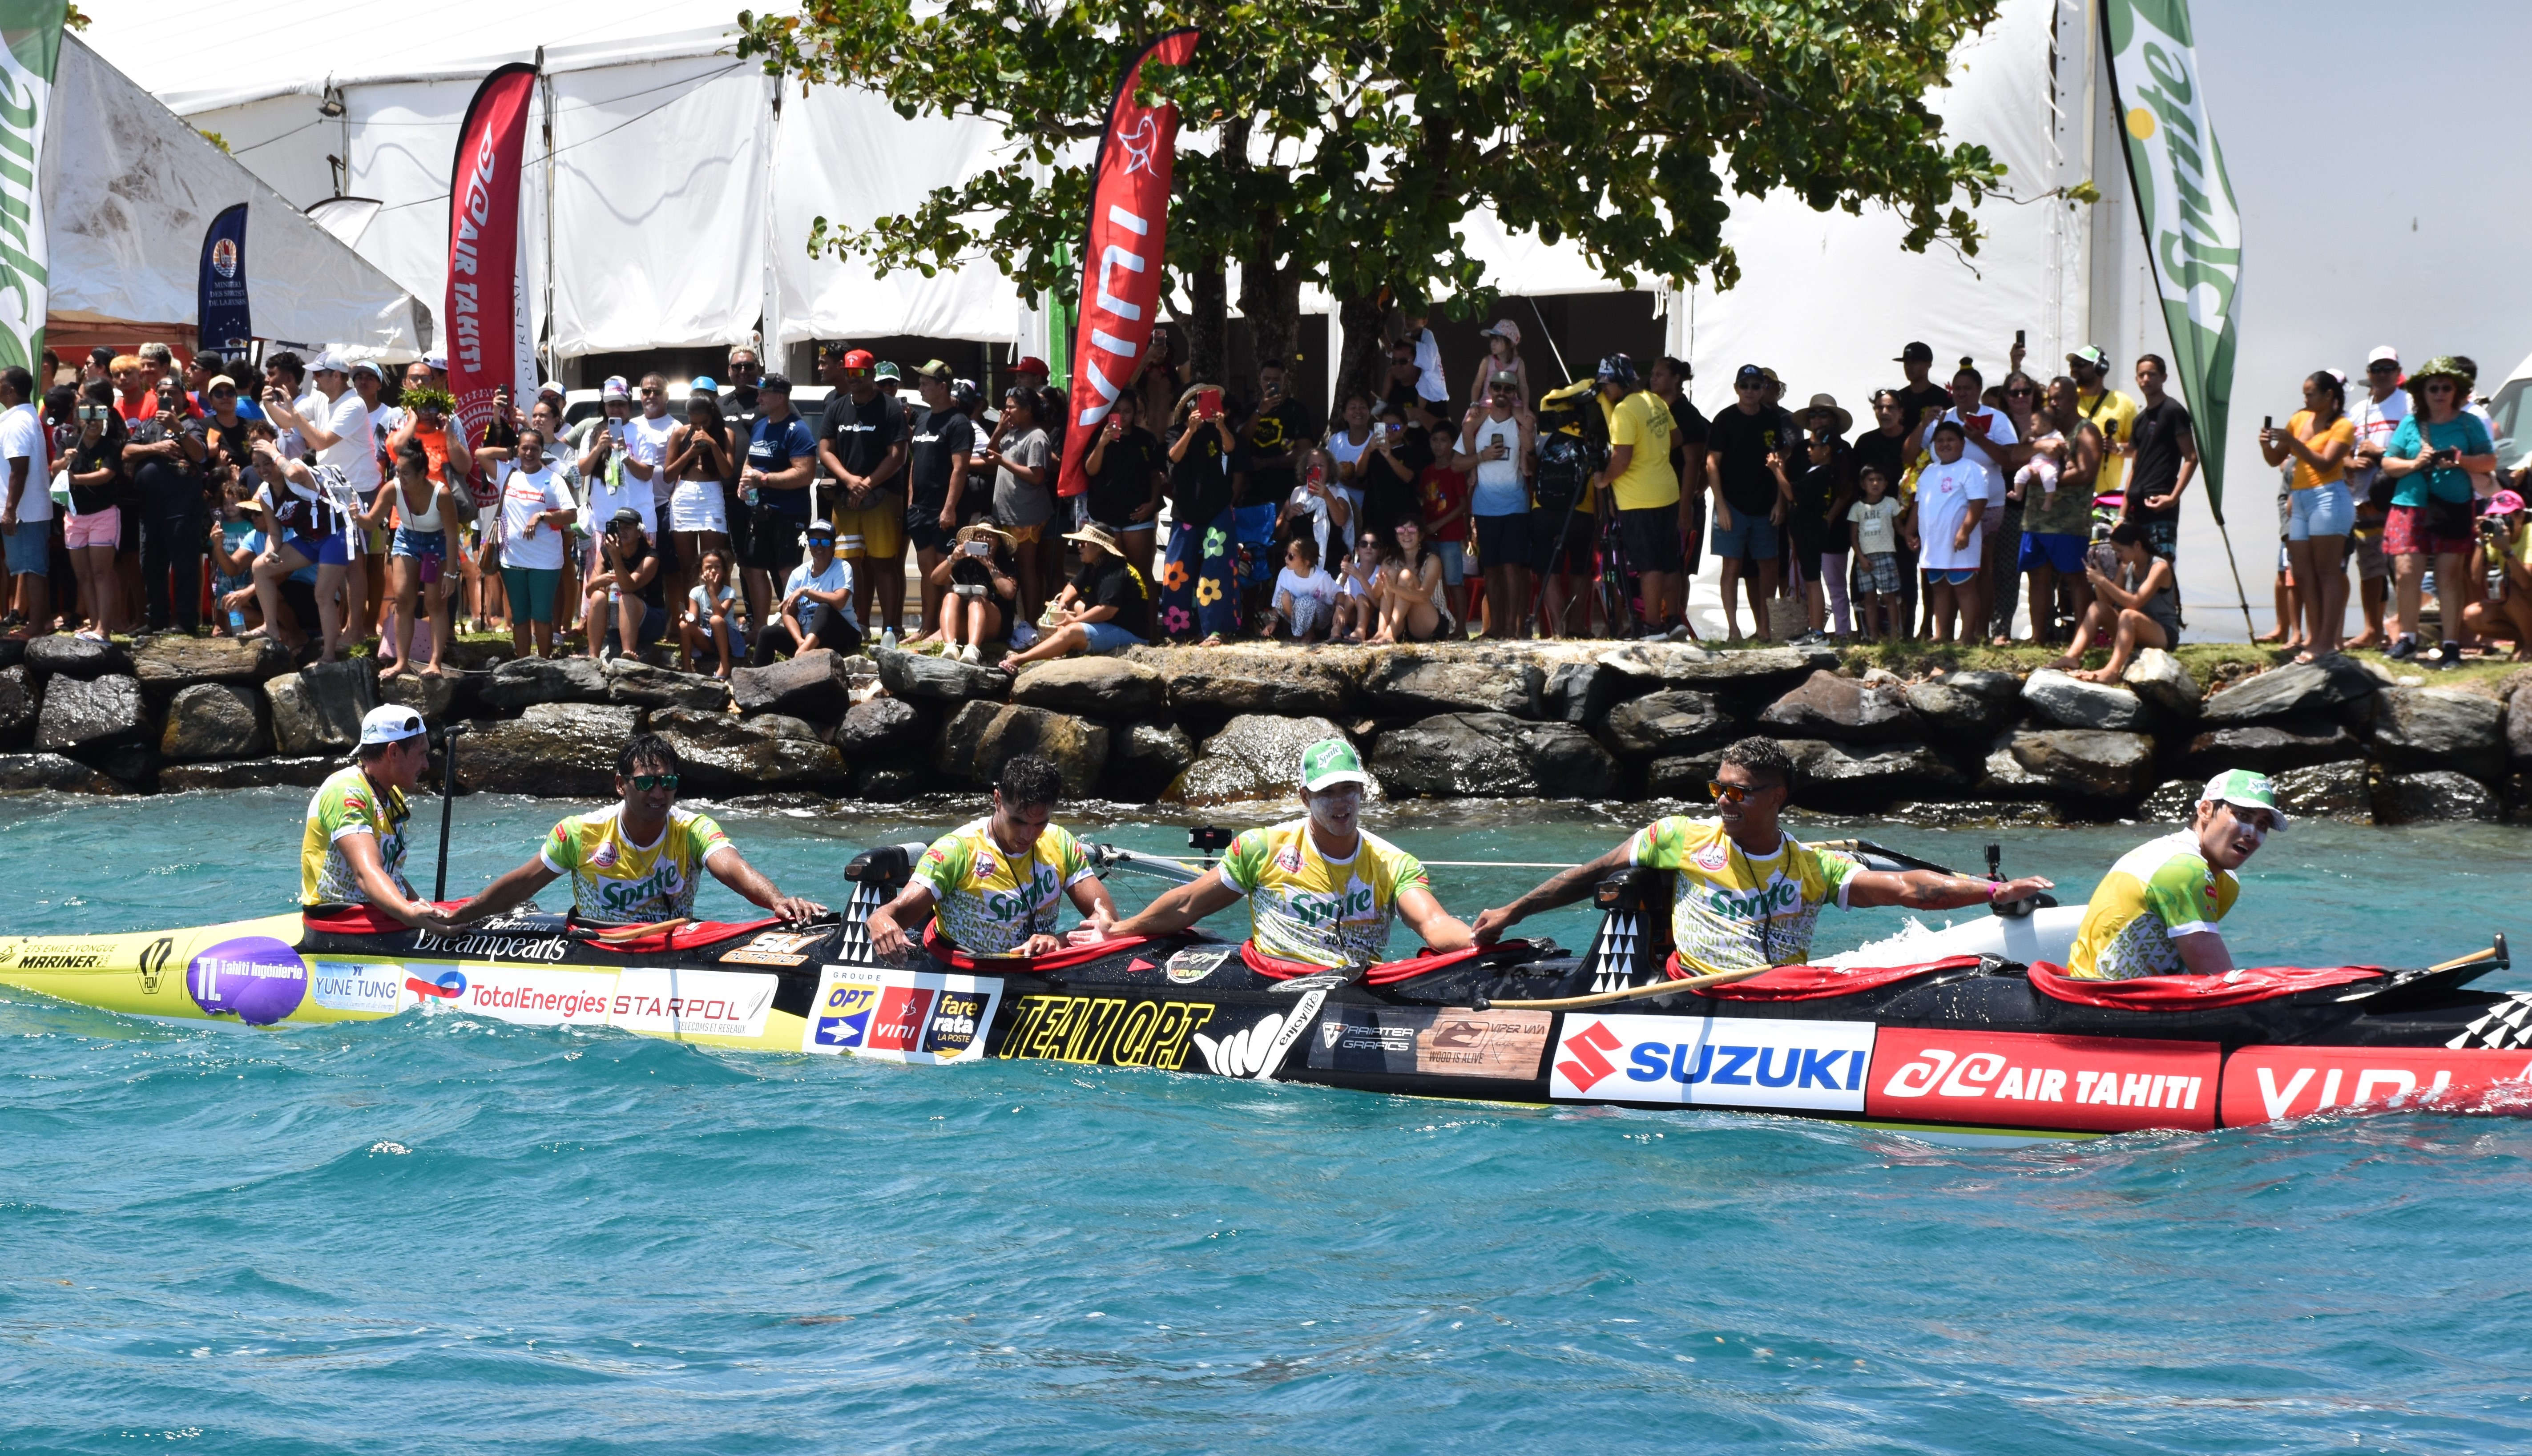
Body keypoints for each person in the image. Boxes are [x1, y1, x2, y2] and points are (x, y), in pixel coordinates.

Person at [1471, 736, 2051, 973]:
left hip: (1778, 994)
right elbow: (1592, 874)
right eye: (1717, 788)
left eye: (1738, 792)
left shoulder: (1812, 868)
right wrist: (1512, 914)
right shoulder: (1679, 836)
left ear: (1777, 797)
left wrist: (1994, 892)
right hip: (1695, 990)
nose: (1724, 800)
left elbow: (1911, 889)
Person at [1109, 739, 1472, 969]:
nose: (1342, 802)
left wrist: (1479, 942)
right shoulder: (1262, 848)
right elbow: (1188, 904)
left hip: (1352, 988)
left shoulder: (1394, 863)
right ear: (1305, 798)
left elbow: (1433, 923)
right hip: (1274, 980)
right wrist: (1118, 931)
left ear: (1362, 791)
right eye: (1328, 792)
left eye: (1350, 789)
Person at [443, 734, 824, 929]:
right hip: (598, 944)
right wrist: (461, 916)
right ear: (621, 785)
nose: (659, 794)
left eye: (669, 782)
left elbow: (734, 869)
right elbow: (520, 885)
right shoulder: (580, 833)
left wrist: (777, 900)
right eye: (646, 784)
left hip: (667, 944)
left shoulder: (693, 828)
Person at [859, 754, 1119, 960]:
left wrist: (1058, 941)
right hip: (968, 970)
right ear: (997, 800)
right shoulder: (955, 851)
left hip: (1036, 969)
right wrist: (879, 920)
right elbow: (890, 915)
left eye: (1040, 823)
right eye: (1018, 821)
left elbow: (1109, 920)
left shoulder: (1061, 842)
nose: (1029, 835)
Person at [2066, 770, 2280, 980]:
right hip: (2096, 998)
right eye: (2242, 816)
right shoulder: (2183, 868)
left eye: (2262, 825)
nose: (2252, 833)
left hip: (2138, 1002)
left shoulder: (2226, 883)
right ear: (2205, 810)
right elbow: (2217, 980)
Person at [2379, 355, 2495, 665]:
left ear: (2457, 391)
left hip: (2453, 506)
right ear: (2423, 393)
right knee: (2406, 573)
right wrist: (2415, 464)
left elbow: (2489, 462)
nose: (2440, 393)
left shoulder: (2469, 424)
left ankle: (2451, 644)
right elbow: (2389, 463)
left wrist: (2459, 460)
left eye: (2446, 387)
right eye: (2434, 388)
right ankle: (2407, 638)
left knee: (2449, 576)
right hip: (2410, 504)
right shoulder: (2410, 424)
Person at [300, 706, 446, 929]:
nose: (426, 765)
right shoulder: (347, 792)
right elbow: (367, 873)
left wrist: (419, 904)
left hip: (378, 913)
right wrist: (409, 914)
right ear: (394, 752)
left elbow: (390, 874)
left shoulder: (391, 794)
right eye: (421, 754)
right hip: (340, 920)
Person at [2258, 370, 2358, 661]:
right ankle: (2314, 638)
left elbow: (2326, 464)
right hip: (2298, 500)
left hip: (2329, 497)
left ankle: (2326, 641)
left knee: (2328, 573)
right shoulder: (2299, 419)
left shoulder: (2342, 426)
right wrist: (2267, 444)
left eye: (2310, 393)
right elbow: (2276, 459)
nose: (2305, 399)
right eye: (2304, 393)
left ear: (2329, 396)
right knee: (2302, 574)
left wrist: (2293, 442)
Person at [1590, 354, 1684, 639]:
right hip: (1668, 492)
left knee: (1648, 565)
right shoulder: (1655, 401)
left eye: (1607, 383)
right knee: (1669, 562)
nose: (1604, 389)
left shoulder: (1624, 411)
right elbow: (1677, 438)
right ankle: (1672, 620)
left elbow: (1622, 458)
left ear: (1619, 380)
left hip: (1639, 500)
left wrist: (1603, 479)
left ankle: (1653, 626)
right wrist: (1654, 452)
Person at [360, 438, 469, 679]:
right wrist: (354, 514)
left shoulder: (441, 494)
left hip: (437, 543)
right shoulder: (392, 489)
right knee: (403, 599)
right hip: (407, 539)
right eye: (398, 472)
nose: (401, 478)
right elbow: (370, 522)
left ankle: (435, 663)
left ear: (423, 473)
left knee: (435, 602)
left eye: (406, 473)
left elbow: (453, 536)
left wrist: (451, 574)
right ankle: (401, 662)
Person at [820, 351, 909, 644]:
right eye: (848, 372)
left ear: (871, 375)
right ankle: (857, 625)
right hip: (846, 500)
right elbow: (825, 450)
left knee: (884, 563)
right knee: (848, 563)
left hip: (883, 495)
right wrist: (848, 480)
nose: (852, 379)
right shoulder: (836, 407)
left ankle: (890, 628)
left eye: (858, 373)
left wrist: (868, 484)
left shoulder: (890, 408)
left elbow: (898, 455)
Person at [245, 445, 358, 660]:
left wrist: (274, 452)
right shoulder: (266, 496)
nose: (263, 470)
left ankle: (329, 655)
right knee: (260, 567)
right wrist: (270, 552)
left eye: (267, 463)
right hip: (308, 541)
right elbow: (275, 533)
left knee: (322, 594)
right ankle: (271, 627)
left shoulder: (297, 471)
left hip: (335, 535)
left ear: (278, 461)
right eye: (257, 466)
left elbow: (294, 473)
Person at [1155, 382, 1246, 643]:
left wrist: (1219, 425)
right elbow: (1174, 456)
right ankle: (1179, 631)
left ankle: (1216, 631)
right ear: (1187, 409)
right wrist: (1190, 431)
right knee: (1177, 570)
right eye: (1196, 402)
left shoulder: (1218, 431)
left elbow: (1231, 448)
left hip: (1217, 507)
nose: (1202, 406)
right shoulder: (1176, 432)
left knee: (1217, 570)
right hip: (1185, 510)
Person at [1706, 364, 1791, 641]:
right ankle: (1733, 630)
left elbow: (1780, 462)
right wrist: (1721, 505)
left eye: (1756, 386)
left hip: (1766, 505)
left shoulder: (1771, 418)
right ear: (1737, 388)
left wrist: (1781, 502)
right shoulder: (1724, 419)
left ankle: (1765, 628)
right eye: (1746, 386)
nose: (1751, 391)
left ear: (1764, 389)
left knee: (1770, 565)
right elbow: (1711, 463)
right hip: (1732, 505)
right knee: (1731, 566)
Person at [996, 522, 1151, 671]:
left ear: (1099, 547)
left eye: (1085, 543)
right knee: (1075, 605)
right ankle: (1062, 645)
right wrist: (1062, 603)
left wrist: (1074, 622)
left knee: (1072, 631)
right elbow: (1073, 586)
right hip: (1114, 622)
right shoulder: (1095, 564)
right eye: (1079, 542)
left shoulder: (1114, 572)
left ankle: (1021, 659)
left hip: (1131, 633)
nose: (1079, 546)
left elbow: (1108, 610)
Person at [738, 372, 818, 643]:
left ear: (781, 397)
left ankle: (793, 627)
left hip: (789, 512)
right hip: (760, 511)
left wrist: (763, 480)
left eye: (764, 393)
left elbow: (804, 474)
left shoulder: (798, 430)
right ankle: (761, 626)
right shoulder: (761, 425)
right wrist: (744, 481)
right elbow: (750, 460)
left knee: (787, 571)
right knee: (752, 568)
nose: (758, 398)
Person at [906, 361, 981, 638]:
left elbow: (960, 468)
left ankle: (947, 630)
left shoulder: (959, 423)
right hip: (920, 510)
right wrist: (912, 500)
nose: (921, 387)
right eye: (921, 382)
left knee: (947, 568)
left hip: (945, 511)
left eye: (926, 383)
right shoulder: (924, 419)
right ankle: (927, 628)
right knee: (927, 571)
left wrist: (949, 509)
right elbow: (916, 462)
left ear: (942, 387)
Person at [1455, 370, 1532, 639]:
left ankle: (1514, 628)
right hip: (1485, 507)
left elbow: (1532, 461)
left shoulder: (1522, 422)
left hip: (1516, 506)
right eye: (1496, 387)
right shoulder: (1475, 424)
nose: (1502, 392)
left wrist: (1529, 439)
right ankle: (1495, 627)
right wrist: (1482, 456)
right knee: (1492, 569)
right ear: (1489, 389)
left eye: (1508, 389)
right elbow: (1456, 464)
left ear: (1514, 393)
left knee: (1513, 568)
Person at [2055, 520, 2180, 681]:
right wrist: (2098, 580)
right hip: (2131, 630)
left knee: (2128, 614)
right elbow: (2106, 602)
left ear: (2137, 545)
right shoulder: (2126, 566)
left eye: (2120, 551)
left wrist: (2102, 581)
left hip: (2162, 634)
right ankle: (2072, 656)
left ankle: (2113, 671)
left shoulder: (2159, 568)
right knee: (2097, 607)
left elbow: (2135, 603)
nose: (2118, 556)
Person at [2343, 346, 2408, 650]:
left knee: (2401, 565)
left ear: (2398, 372)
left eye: (2388, 369)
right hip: (2364, 496)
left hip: (2400, 495)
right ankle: (2373, 630)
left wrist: (2379, 454)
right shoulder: (2359, 410)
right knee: (2370, 566)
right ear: (2368, 375)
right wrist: (2353, 460)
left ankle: (2403, 630)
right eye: (2377, 369)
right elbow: (2346, 448)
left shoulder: (2409, 404)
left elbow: (2418, 449)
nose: (2383, 375)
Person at [56, 382, 126, 641]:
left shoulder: (111, 445)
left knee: (101, 572)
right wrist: (66, 461)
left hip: (103, 514)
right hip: (74, 516)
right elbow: (55, 469)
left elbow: (107, 475)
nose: (93, 422)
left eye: (98, 416)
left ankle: (104, 630)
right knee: (83, 575)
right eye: (87, 416)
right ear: (78, 419)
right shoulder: (68, 442)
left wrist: (75, 479)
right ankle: (95, 624)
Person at [496, 427, 574, 660]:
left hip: (545, 560)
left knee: (542, 615)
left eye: (535, 449)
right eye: (525, 448)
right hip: (512, 559)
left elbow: (571, 514)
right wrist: (509, 451)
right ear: (518, 450)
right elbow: (482, 455)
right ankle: (522, 664)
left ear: (542, 451)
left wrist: (542, 516)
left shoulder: (553, 479)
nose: (529, 453)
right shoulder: (508, 474)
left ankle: (543, 663)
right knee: (520, 617)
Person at [981, 383, 1052, 619]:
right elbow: (990, 457)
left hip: (1027, 515)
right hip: (1005, 514)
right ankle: (1014, 619)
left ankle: (1031, 623)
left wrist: (1004, 462)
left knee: (1026, 568)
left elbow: (1037, 476)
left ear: (1028, 410)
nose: (1006, 412)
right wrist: (999, 430)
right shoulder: (1011, 434)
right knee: (1008, 568)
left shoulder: (1037, 437)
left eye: (1012, 408)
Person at [1912, 420, 1988, 642]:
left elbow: (1978, 503)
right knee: (1940, 589)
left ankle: (1967, 636)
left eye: (1951, 440)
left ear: (1962, 444)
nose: (1945, 444)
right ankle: (1942, 634)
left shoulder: (1971, 469)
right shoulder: (1929, 471)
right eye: (1940, 441)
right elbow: (1919, 503)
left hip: (1959, 542)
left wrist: (1965, 531)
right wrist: (1911, 532)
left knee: (1964, 588)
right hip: (1934, 543)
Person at [664, 385, 735, 611]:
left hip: (711, 496)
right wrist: (690, 453)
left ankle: (715, 615)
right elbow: (668, 475)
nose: (698, 428)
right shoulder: (680, 434)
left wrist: (713, 444)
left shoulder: (725, 435)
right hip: (685, 496)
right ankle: (692, 616)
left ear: (712, 416)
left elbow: (727, 472)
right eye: (694, 423)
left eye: (703, 423)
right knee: (689, 566)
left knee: (713, 562)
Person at [2123, 354, 2197, 563]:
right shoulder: (2139, 420)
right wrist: (2122, 515)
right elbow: (2134, 468)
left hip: (2160, 504)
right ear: (2137, 379)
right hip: (2137, 508)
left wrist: (2173, 498)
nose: (2146, 379)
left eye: (2152, 374)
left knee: (2162, 570)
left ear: (2164, 377)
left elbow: (2191, 458)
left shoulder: (2173, 411)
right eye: (2142, 375)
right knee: (2137, 572)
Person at [1793, 394, 1855, 644]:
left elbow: (1847, 489)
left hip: (1834, 524)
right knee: (1808, 578)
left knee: (1835, 582)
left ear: (1833, 419)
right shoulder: (1800, 450)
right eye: (1813, 415)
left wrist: (1829, 518)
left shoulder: (1845, 450)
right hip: (1806, 523)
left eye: (1823, 414)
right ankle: (1813, 630)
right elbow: (1793, 490)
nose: (1817, 419)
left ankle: (1843, 632)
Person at [761, 517, 859, 661]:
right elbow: (788, 612)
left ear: (834, 547)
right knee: (767, 633)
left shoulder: (842, 568)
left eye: (825, 542)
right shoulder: (799, 574)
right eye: (814, 542)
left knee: (825, 608)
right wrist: (800, 640)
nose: (819, 547)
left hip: (842, 636)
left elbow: (839, 602)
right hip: (806, 640)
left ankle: (803, 653)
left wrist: (805, 592)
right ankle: (756, 680)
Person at [0, 366, 49, 634]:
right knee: (30, 568)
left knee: (32, 569)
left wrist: (10, 510)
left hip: (24, 511)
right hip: (26, 509)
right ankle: (39, 623)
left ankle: (37, 627)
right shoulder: (21, 417)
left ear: (11, 390)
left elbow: (20, 469)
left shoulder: (17, 422)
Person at [581, 507, 665, 661]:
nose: (622, 531)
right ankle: (593, 656)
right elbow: (589, 592)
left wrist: (616, 558)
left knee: (627, 598)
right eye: (618, 527)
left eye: (627, 528)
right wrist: (599, 582)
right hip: (615, 623)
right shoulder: (606, 552)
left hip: (650, 623)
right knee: (599, 596)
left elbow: (629, 587)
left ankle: (628, 653)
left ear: (639, 532)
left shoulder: (651, 556)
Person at [927, 523, 1015, 663]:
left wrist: (990, 566)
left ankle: (973, 649)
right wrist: (953, 559)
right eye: (979, 536)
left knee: (977, 601)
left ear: (999, 542)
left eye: (990, 536)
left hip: (996, 622)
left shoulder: (1004, 563)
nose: (984, 539)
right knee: (951, 597)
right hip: (968, 621)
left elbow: (1009, 592)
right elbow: (935, 579)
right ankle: (950, 647)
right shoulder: (966, 562)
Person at [2065, 346, 2139, 511]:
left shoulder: (2123, 403)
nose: (2075, 368)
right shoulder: (2065, 398)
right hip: (2066, 493)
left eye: (2081, 364)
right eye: (2073, 364)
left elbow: (2138, 448)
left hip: (2104, 499)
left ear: (2101, 368)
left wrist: (2117, 448)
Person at [2460, 490, 2532, 659]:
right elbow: (2477, 578)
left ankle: (2530, 645)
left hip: (2525, 593)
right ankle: (2524, 639)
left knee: (2511, 587)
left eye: (2505, 517)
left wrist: (2507, 551)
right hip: (2524, 602)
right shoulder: (2497, 536)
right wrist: (2481, 541)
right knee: (2473, 615)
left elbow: (2526, 583)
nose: (2501, 522)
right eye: (2494, 516)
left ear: (2521, 515)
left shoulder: (2530, 532)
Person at [1415, 422, 1471, 625]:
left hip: (1450, 535)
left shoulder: (1455, 470)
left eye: (1444, 441)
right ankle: (1441, 623)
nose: (1439, 445)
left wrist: (1439, 524)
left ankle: (1462, 627)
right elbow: (1422, 500)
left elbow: (1463, 505)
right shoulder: (1427, 472)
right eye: (1435, 440)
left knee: (1455, 581)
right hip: (1429, 535)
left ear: (1453, 443)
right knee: (1434, 583)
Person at [1846, 464, 1906, 640]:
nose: (1875, 484)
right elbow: (1854, 537)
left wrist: (1910, 537)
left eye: (1879, 480)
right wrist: (1861, 559)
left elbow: (1900, 527)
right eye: (1870, 480)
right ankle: (1873, 636)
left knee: (1889, 598)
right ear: (1863, 484)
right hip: (1865, 560)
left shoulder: (1891, 504)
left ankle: (1895, 635)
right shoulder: (1857, 508)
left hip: (1886, 556)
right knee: (1869, 599)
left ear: (1886, 484)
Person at [1370, 519, 1448, 643]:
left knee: (1406, 576)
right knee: (1391, 573)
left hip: (1430, 621)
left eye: (1412, 530)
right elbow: (1375, 595)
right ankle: (1381, 631)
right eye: (1401, 531)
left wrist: (1394, 588)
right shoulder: (1390, 562)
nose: (1406, 534)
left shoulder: (1432, 560)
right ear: (1397, 537)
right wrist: (1381, 584)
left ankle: (1390, 632)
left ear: (1421, 536)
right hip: (1404, 624)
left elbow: (1424, 596)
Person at [679, 547, 747, 677]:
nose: (713, 571)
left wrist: (712, 589)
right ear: (701, 571)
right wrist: (686, 616)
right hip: (708, 638)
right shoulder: (696, 592)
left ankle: (725, 665)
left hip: (728, 640)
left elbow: (719, 614)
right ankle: (687, 669)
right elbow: (694, 619)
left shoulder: (729, 592)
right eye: (709, 568)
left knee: (716, 620)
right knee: (684, 626)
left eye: (718, 567)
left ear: (724, 572)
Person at [1262, 533, 1338, 641]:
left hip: (1321, 618)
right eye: (1286, 553)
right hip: (1296, 616)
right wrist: (1273, 622)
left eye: (1291, 556)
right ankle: (1301, 633)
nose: (1286, 558)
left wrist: (1340, 609)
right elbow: (1276, 603)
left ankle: (1309, 633)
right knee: (1283, 596)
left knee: (1305, 602)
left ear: (1306, 562)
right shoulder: (1284, 573)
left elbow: (1339, 592)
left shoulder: (1321, 577)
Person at [1466, 319, 1530, 411]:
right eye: (1492, 340)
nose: (1493, 344)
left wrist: (1526, 408)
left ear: (1511, 343)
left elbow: (1523, 386)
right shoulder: (1487, 361)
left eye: (1498, 340)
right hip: (1488, 403)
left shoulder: (1519, 363)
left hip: (1511, 403)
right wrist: (1474, 404)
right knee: (1469, 425)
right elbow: (1477, 384)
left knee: (1528, 422)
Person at [1891, 341, 1951, 437]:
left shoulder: (1944, 398)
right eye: (1906, 363)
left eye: (1915, 362)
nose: (1909, 367)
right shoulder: (1898, 398)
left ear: (1929, 365)